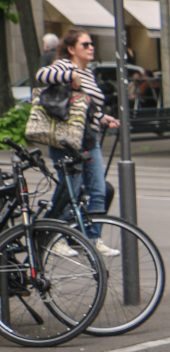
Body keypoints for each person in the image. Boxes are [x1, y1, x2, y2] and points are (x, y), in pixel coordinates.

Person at [35, 28, 121, 259]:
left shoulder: (89, 73)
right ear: (72, 49)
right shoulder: (65, 66)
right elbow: (41, 75)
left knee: (98, 190)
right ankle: (55, 237)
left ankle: (93, 238)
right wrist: (69, 76)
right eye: (85, 44)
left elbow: (84, 107)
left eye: (92, 43)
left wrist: (102, 118)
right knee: (70, 189)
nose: (91, 47)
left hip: (88, 139)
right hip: (66, 140)